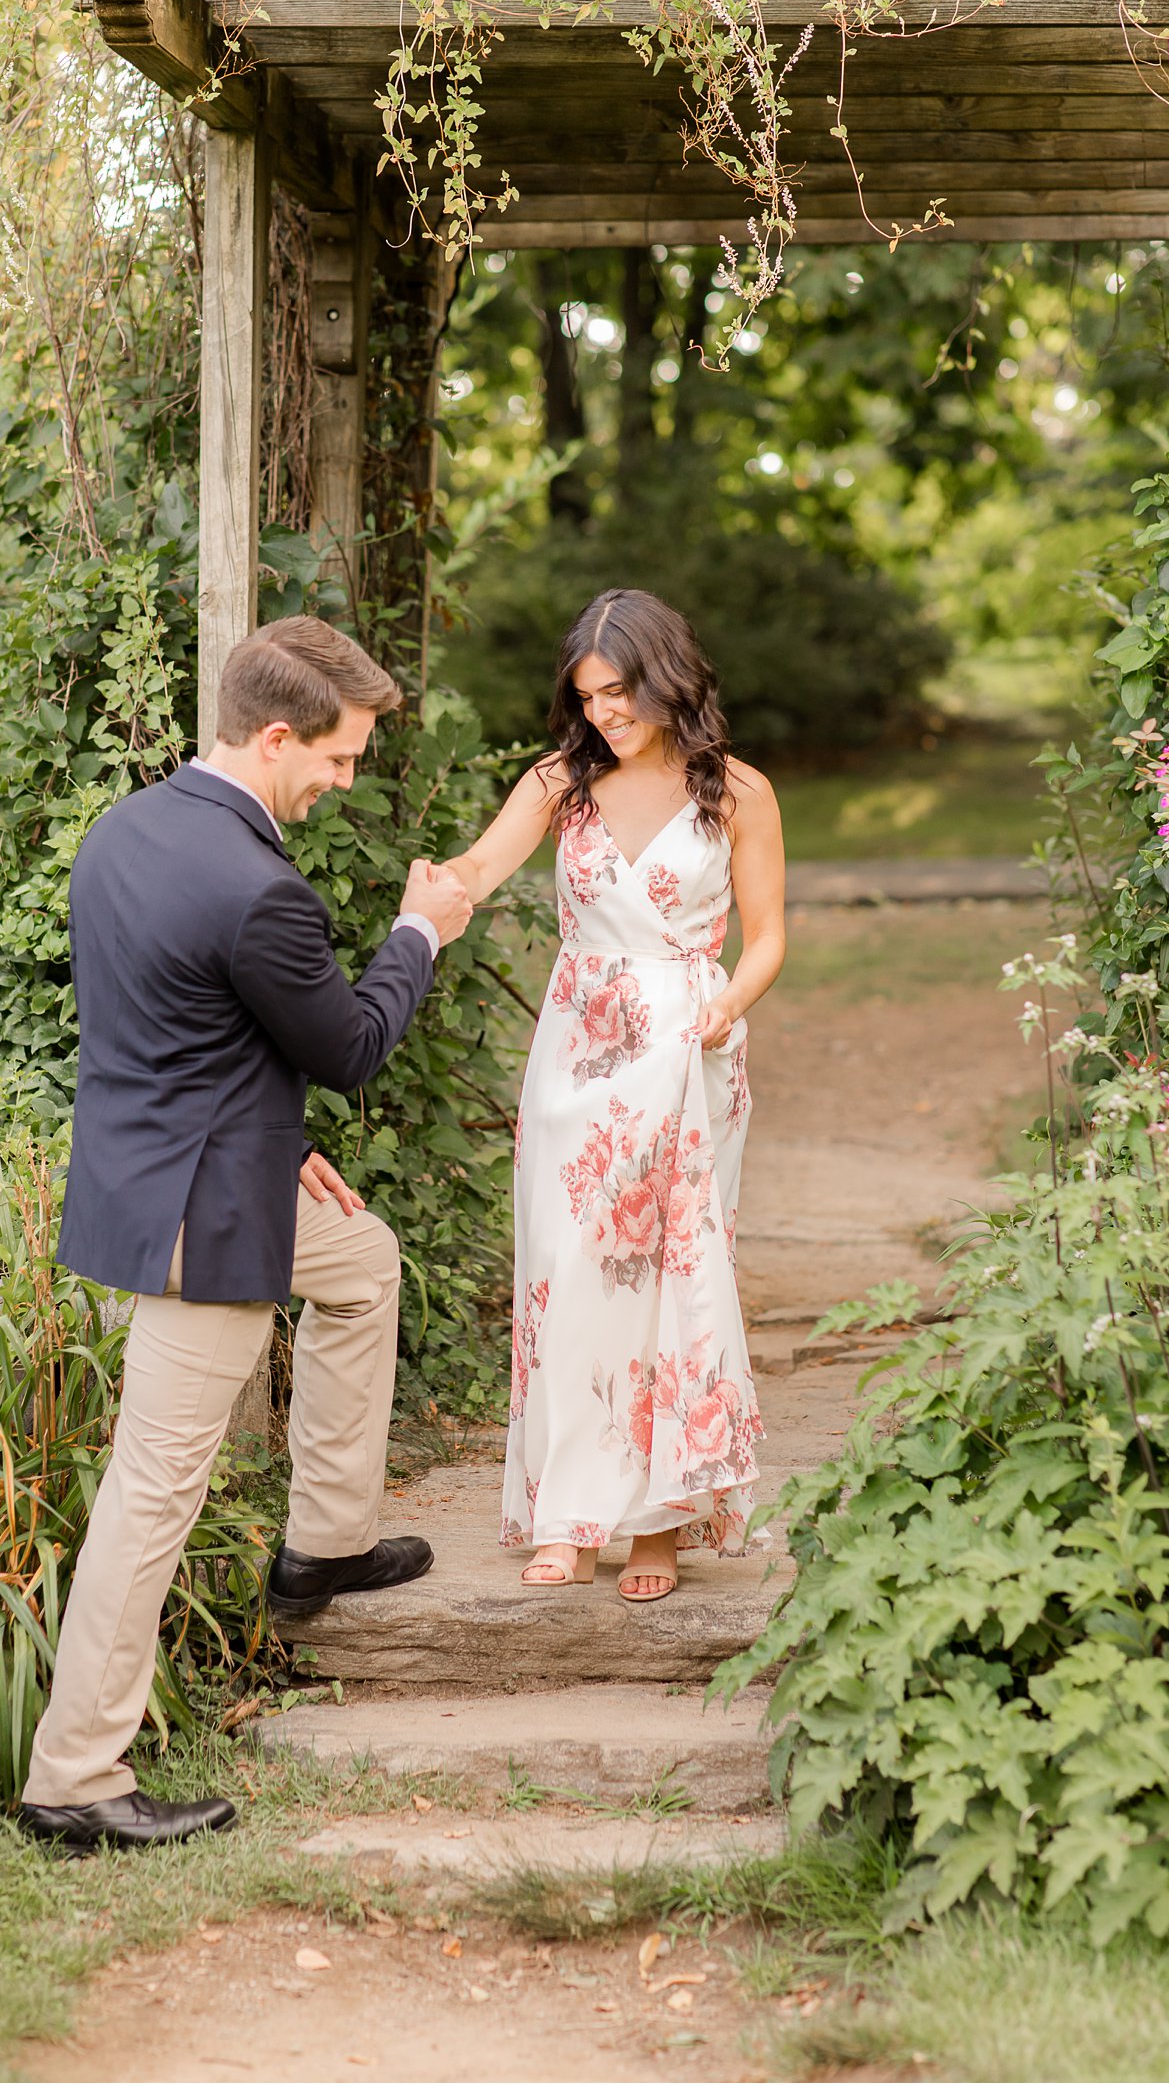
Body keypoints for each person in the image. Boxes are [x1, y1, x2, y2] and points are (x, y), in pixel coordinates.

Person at [16, 616, 471, 1851]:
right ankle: (74, 1777)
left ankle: (322, 1544)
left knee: (362, 1262)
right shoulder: (260, 886)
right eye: (338, 759)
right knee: (151, 1490)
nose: (345, 781)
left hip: (165, 1173)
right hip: (199, 1221)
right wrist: (419, 930)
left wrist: (282, 1138)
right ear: (277, 736)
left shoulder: (125, 831)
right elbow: (350, 1048)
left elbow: (171, 1027)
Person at [442, 589, 785, 1601]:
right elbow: (482, 864)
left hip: (688, 1046)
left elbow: (765, 933)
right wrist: (438, 893)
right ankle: (565, 1509)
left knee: (671, 1277)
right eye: (587, 698)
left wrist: (729, 998)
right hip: (580, 1050)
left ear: (665, 676)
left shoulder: (737, 793)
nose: (603, 715)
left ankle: (658, 1525)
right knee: (567, 1274)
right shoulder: (559, 785)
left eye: (619, 694)